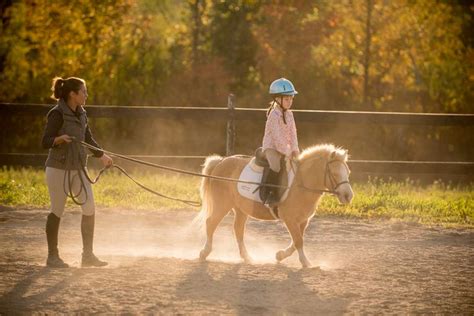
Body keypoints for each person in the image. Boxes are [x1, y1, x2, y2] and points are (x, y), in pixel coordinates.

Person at [42, 76, 113, 268]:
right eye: (83, 91)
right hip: (58, 168)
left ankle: (87, 255)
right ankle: (52, 256)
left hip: (78, 167)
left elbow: (88, 138)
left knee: (89, 207)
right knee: (57, 210)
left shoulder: (82, 113)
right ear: (73, 94)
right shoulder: (56, 114)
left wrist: (102, 156)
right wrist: (59, 139)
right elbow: (45, 141)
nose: (86, 95)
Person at [261, 78, 300, 212]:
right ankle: (270, 193)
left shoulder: (290, 115)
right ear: (278, 99)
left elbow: (293, 134)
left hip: (286, 149)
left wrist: (295, 150)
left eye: (291, 99)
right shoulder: (273, 115)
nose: (290, 102)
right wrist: (287, 152)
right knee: (276, 166)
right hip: (271, 148)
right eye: (287, 99)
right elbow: (277, 138)